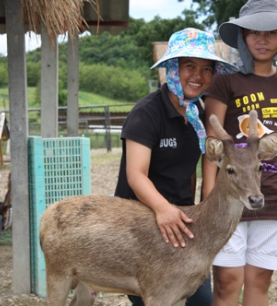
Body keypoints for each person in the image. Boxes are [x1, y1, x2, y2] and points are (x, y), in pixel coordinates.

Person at [201, 1, 277, 305]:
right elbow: (212, 144)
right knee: (227, 281)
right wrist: (208, 196)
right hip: (229, 196)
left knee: (259, 281)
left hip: (275, 193)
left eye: (271, 33)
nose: (262, 40)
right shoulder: (225, 81)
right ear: (242, 37)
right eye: (253, 33)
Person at [114, 28, 238, 306]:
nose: (198, 75)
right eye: (189, 66)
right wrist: (163, 209)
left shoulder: (199, 115)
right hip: (139, 224)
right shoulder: (147, 113)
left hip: (181, 220)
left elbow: (204, 170)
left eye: (207, 68)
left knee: (200, 300)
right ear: (172, 67)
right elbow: (135, 176)